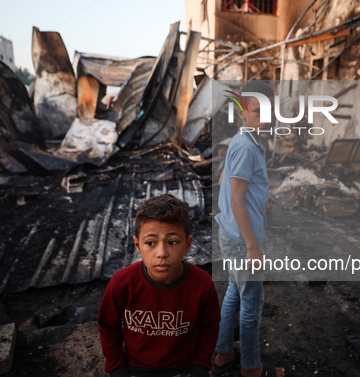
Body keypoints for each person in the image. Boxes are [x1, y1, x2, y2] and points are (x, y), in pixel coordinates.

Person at [98, 194, 220, 377]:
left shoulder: (202, 284)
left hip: (184, 368)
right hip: (135, 368)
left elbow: (210, 326)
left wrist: (201, 364)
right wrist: (116, 367)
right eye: (150, 243)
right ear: (138, 245)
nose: (161, 253)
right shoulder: (122, 282)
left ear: (187, 245)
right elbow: (108, 326)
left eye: (172, 242)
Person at [213, 81, 284, 377]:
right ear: (242, 112)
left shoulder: (244, 139)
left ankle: (223, 352)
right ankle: (251, 369)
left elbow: (223, 183)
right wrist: (253, 247)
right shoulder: (245, 146)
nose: (265, 118)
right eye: (257, 111)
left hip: (231, 234)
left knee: (234, 291)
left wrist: (261, 198)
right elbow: (235, 196)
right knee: (253, 302)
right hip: (242, 242)